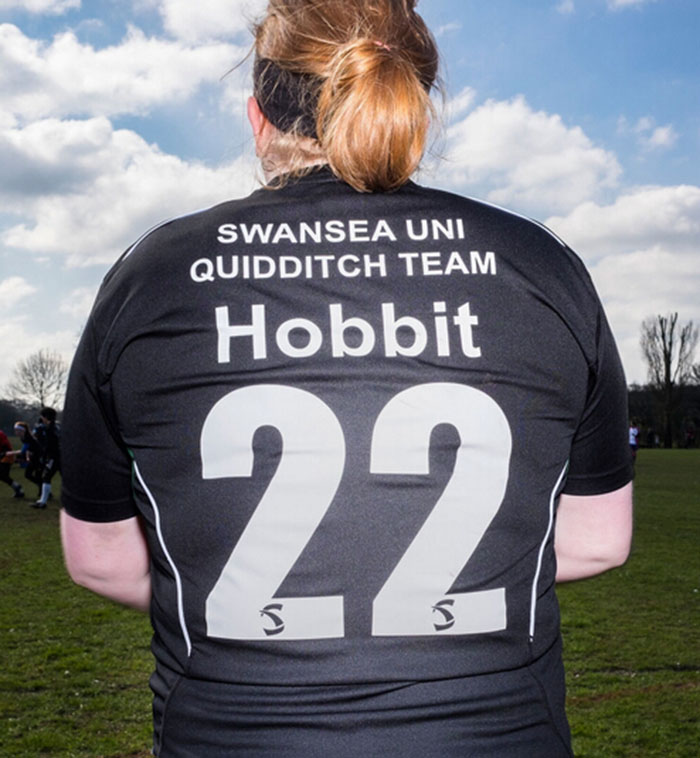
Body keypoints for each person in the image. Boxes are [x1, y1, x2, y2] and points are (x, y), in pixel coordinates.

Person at [60, 2, 634, 756]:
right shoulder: (540, 265)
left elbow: (101, 559)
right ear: (411, 105)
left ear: (258, 116)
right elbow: (598, 542)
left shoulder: (154, 274)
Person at [33, 407, 61, 509]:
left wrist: (45, 457)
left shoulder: (49, 429)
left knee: (46, 477)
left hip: (54, 456)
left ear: (45, 417)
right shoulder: (57, 427)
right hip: (61, 455)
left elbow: (48, 445)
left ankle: (43, 501)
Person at [13, 421, 44, 499]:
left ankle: (44, 490)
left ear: (22, 430)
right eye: (15, 430)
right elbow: (27, 450)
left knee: (35, 476)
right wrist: (27, 458)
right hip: (34, 457)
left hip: (39, 458)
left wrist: (8, 453)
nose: (16, 432)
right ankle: (43, 488)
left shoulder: (28, 438)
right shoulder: (23, 438)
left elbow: (23, 451)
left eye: (17, 430)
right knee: (29, 475)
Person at [0, 428, 24, 498]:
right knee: (3, 476)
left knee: (2, 475)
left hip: (7, 456)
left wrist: (2, 454)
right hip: (4, 455)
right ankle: (17, 488)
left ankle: (18, 488)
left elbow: (5, 446)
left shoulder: (0, 434)